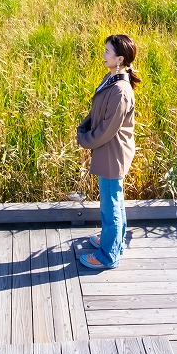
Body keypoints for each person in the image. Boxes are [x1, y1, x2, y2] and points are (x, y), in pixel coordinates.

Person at [74, 33, 138, 269]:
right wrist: (85, 125)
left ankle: (108, 256)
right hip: (108, 151)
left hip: (112, 153)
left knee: (110, 204)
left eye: (108, 52)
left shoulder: (120, 90)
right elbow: (97, 110)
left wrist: (84, 139)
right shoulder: (111, 78)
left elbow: (106, 131)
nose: (103, 54)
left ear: (119, 59)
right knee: (114, 200)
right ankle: (114, 241)